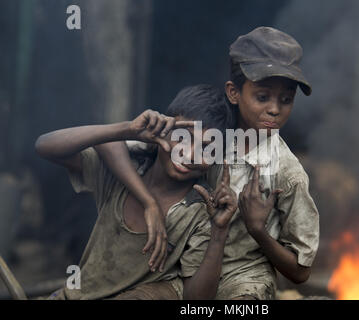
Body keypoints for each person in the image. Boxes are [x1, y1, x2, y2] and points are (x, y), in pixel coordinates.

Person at [96, 26, 320, 300]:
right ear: (233, 93)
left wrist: (258, 230)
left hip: (241, 278)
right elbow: (117, 145)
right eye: (262, 97)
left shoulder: (287, 174)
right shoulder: (201, 130)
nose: (275, 109)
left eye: (286, 100)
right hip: (178, 271)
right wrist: (148, 201)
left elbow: (301, 271)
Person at [36, 84, 237, 300]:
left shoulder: (199, 211)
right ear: (164, 129)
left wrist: (219, 233)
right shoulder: (122, 173)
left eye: (206, 148)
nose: (189, 154)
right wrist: (127, 129)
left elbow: (196, 301)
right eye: (183, 138)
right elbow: (45, 146)